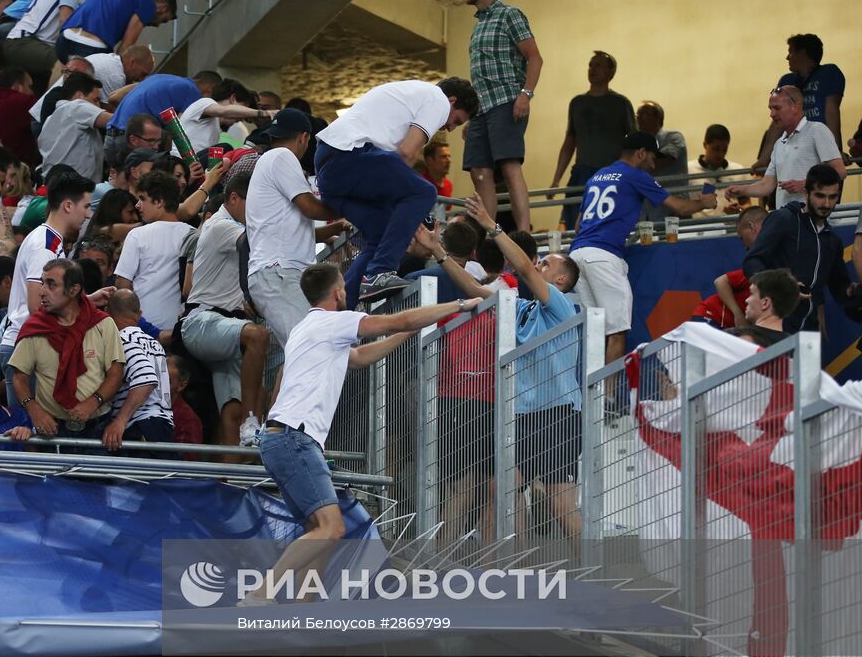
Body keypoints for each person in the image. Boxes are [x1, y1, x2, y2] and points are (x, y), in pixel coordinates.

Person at [256, 262, 474, 588]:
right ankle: (261, 594)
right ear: (338, 292)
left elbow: (359, 358)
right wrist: (459, 304)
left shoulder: (306, 329)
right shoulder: (333, 322)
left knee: (321, 531)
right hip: (294, 438)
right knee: (332, 529)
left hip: (279, 438)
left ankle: (301, 612)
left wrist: (407, 332)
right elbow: (395, 320)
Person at [426, 194, 585, 553]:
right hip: (522, 416)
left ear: (560, 279)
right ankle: (510, 573)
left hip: (556, 416)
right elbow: (475, 291)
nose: (536, 265)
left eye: (545, 263)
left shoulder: (562, 305)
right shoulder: (524, 308)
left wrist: (491, 226)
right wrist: (438, 252)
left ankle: (593, 570)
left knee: (560, 502)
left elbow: (525, 269)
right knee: (501, 491)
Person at [313, 78, 478, 303]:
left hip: (330, 169)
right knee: (424, 192)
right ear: (452, 101)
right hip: (347, 156)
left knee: (382, 233)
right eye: (456, 120)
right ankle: (379, 272)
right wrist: (411, 205)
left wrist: (408, 211)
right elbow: (407, 153)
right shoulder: (437, 99)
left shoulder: (411, 94)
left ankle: (340, 310)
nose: (449, 128)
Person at [569, 132, 717, 364]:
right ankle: (606, 398)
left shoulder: (598, 175)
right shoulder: (636, 175)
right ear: (640, 153)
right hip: (603, 256)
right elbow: (679, 207)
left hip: (577, 255)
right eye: (651, 157)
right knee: (616, 332)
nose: (653, 163)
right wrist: (704, 203)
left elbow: (578, 225)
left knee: (593, 333)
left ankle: (593, 399)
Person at [177, 173, 269, 444]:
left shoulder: (235, 226)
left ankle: (232, 480)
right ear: (233, 198)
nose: (257, 212)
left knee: (232, 412)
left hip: (227, 329)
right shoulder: (220, 225)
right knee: (258, 335)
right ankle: (252, 421)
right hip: (201, 322)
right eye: (253, 203)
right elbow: (258, 241)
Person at [246, 112, 346, 347]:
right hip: (279, 272)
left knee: (299, 354)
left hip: (276, 272)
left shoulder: (270, 159)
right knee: (310, 347)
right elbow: (310, 208)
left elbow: (292, 229)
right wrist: (351, 210)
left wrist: (338, 226)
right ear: (304, 138)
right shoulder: (282, 157)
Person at [0, 170, 98, 387]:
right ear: (68, 206)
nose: (88, 214)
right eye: (86, 206)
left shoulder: (48, 240)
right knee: (33, 422)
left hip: (27, 344)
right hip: (27, 347)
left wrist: (88, 301)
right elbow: (37, 305)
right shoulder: (45, 245)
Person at [461, 0, 541, 232]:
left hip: (506, 100)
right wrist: (471, 116)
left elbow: (534, 57)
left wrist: (525, 95)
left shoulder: (510, 14)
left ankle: (523, 232)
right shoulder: (479, 25)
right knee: (478, 171)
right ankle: (487, 234)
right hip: (481, 108)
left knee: (509, 166)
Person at [8, 258, 123, 443]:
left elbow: (116, 373)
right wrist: (34, 409)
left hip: (98, 427)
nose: (42, 291)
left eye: (51, 284)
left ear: (73, 290)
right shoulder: (35, 328)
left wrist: (93, 402)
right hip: (51, 430)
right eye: (42, 282)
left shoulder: (103, 323)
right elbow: (19, 377)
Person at [743, 163, 848, 334]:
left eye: (833, 197)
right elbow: (752, 261)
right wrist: (780, 287)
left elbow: (840, 287)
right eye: (820, 196)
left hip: (808, 331)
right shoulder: (784, 219)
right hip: (775, 324)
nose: (826, 203)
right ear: (806, 193)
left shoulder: (832, 240)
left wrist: (853, 292)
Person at [3, 0, 121, 93]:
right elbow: (65, 19)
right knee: (70, 66)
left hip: (41, 48)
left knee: (37, 95)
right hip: (22, 40)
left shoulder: (87, 1)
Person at [550, 50, 635, 228]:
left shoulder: (620, 103)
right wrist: (556, 179)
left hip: (611, 172)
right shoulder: (577, 103)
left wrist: (631, 174)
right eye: (590, 65)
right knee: (576, 221)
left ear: (611, 72)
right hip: (582, 172)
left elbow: (633, 140)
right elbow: (570, 141)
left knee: (609, 222)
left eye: (598, 65)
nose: (592, 69)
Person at [726, 85, 846, 209]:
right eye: (770, 109)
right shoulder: (779, 144)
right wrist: (742, 190)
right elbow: (766, 185)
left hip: (811, 220)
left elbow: (840, 172)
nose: (772, 114)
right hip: (786, 219)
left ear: (795, 107)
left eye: (777, 108)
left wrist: (806, 184)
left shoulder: (817, 131)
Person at [114, 171, 194, 328]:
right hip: (181, 327)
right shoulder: (194, 234)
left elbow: (122, 285)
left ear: (159, 202)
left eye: (142, 199)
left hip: (142, 325)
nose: (138, 205)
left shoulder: (137, 235)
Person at [101, 289, 172, 452]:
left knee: (133, 478)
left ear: (107, 313)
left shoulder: (122, 340)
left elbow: (145, 378)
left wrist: (120, 421)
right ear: (139, 314)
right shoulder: (154, 343)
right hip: (163, 423)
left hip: (138, 426)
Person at [761, 33, 846, 160]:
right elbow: (777, 123)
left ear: (802, 53)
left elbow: (831, 112)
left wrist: (835, 150)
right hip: (793, 151)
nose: (787, 57)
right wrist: (764, 159)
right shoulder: (787, 81)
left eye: (790, 52)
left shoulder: (829, 73)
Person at [689, 208, 768, 330]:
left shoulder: (767, 265)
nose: (745, 247)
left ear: (753, 228)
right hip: (712, 315)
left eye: (742, 238)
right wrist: (738, 314)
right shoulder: (756, 268)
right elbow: (720, 281)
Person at [56, 0, 176, 62]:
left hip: (64, 39)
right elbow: (126, 46)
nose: (158, 25)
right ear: (163, 8)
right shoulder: (148, 4)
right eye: (164, 20)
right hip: (89, 46)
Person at [38, 72, 112, 182]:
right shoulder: (77, 107)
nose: (98, 106)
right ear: (79, 96)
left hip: (54, 187)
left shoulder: (50, 119)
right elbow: (116, 121)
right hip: (76, 190)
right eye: (95, 100)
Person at [0, 68, 38, 167]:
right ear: (17, 86)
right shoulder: (21, 101)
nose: (32, 92)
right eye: (29, 86)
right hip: (11, 170)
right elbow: (48, 110)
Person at [736, 268, 801, 347]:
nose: (746, 300)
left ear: (765, 303)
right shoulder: (796, 350)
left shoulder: (735, 338)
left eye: (751, 294)